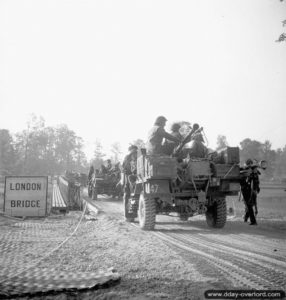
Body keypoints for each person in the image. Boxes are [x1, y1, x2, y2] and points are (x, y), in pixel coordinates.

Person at [240, 159, 260, 225]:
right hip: (248, 190)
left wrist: (257, 189)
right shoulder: (245, 171)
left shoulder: (253, 173)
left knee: (250, 205)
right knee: (250, 205)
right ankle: (249, 219)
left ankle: (251, 220)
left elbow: (255, 181)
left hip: (250, 191)